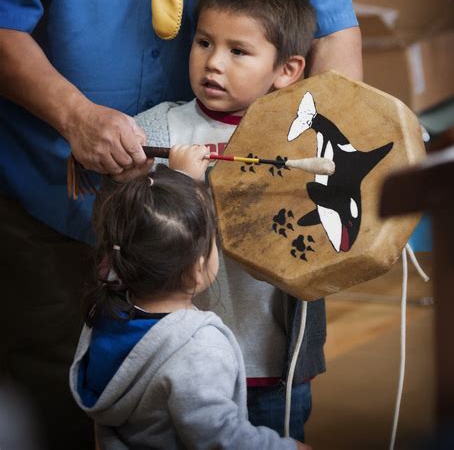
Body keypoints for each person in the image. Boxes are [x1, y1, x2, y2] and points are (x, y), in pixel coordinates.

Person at [0, 0, 361, 447]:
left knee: (236, 389)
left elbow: (334, 41)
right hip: (56, 194)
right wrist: (74, 115)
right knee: (62, 398)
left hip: (225, 230)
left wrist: (328, 158)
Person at [112, 0, 323, 442]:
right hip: (178, 356)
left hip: (272, 362)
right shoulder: (157, 131)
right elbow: (133, 236)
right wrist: (173, 184)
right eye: (204, 42)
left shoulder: (305, 142)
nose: (213, 63)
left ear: (286, 70)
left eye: (238, 51)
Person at [70, 165, 310, 449]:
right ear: (199, 268)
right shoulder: (198, 348)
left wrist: (183, 181)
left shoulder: (105, 313)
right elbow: (220, 437)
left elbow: (141, 230)